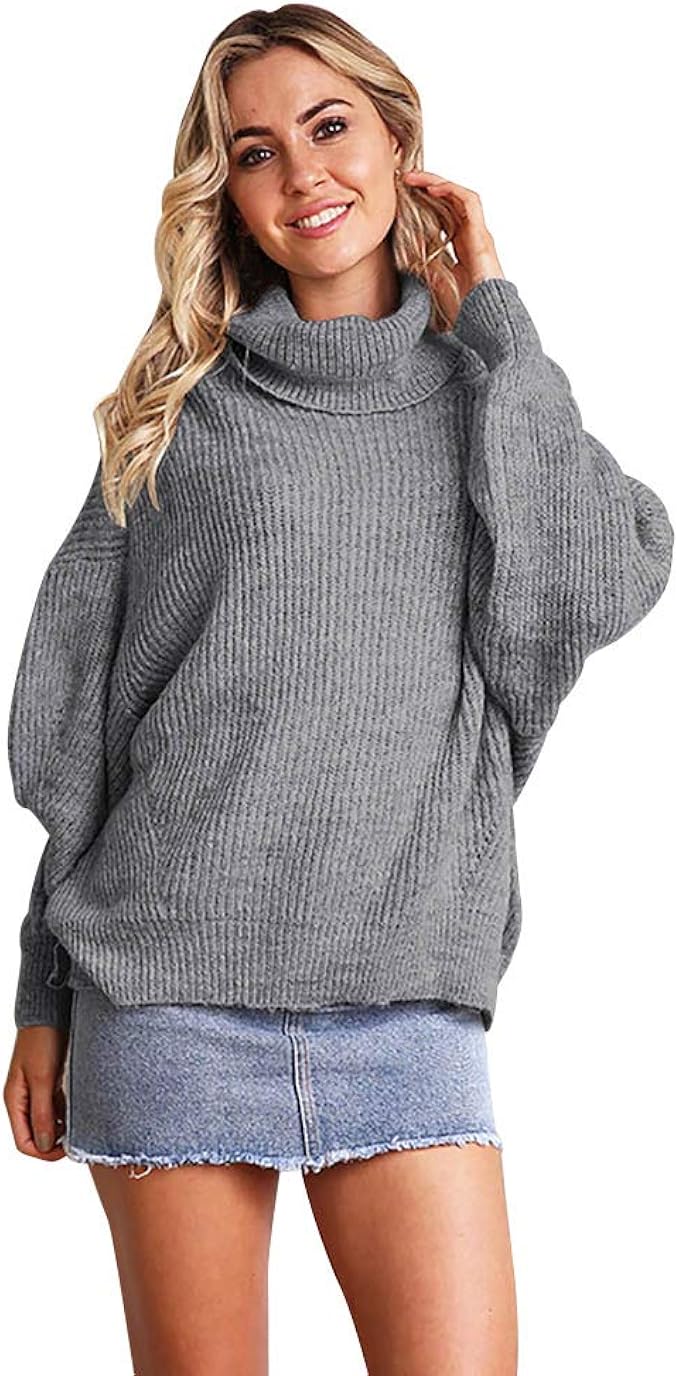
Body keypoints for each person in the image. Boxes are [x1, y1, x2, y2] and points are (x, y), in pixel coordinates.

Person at [3, 6, 673, 1373]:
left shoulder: (488, 399)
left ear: (397, 139)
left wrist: (497, 314)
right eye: (256, 151)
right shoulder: (179, 418)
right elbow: (84, 727)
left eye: (330, 127)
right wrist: (42, 994)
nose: (303, 173)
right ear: (228, 193)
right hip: (170, 998)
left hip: (409, 1000)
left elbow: (610, 570)